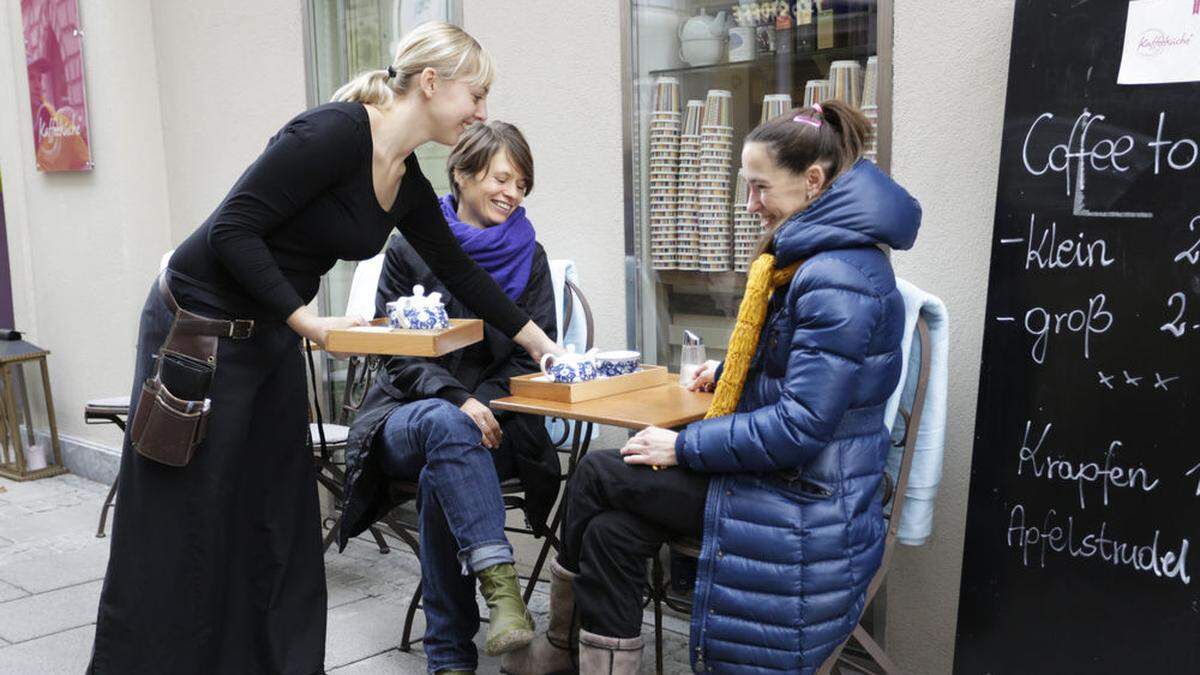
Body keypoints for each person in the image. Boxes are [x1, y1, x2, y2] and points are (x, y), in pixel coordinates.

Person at [88, 22, 560, 675]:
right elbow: (233, 230)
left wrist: (544, 345)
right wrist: (310, 323)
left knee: (277, 520)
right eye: (476, 94)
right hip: (197, 331)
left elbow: (465, 275)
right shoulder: (334, 132)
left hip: (269, 337)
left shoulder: (405, 180)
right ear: (431, 83)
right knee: (185, 524)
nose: (483, 112)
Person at [504, 100, 922, 674]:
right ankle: (574, 656)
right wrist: (733, 371)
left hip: (804, 497)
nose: (750, 205)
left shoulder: (834, 276)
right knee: (610, 532)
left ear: (813, 181)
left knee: (599, 473)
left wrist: (682, 446)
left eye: (759, 188)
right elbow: (804, 371)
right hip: (778, 478)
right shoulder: (821, 259)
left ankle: (558, 647)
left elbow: (800, 425)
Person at [337, 121, 560, 673]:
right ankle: (503, 595)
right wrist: (458, 399)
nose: (513, 193)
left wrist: (481, 403)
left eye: (522, 184)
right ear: (461, 173)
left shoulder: (530, 257)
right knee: (445, 424)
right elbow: (398, 353)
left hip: (502, 420)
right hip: (406, 413)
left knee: (447, 464)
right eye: (502, 178)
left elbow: (528, 358)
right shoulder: (410, 246)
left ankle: (450, 658)